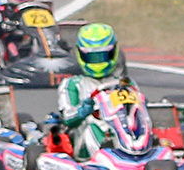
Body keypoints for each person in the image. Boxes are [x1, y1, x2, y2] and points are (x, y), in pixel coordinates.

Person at [49, 22, 126, 161]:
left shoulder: (123, 82)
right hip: (84, 137)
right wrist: (82, 111)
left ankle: (138, 153)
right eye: (92, 57)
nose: (97, 62)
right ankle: (105, 153)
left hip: (122, 130)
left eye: (102, 56)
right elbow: (67, 118)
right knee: (94, 124)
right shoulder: (72, 84)